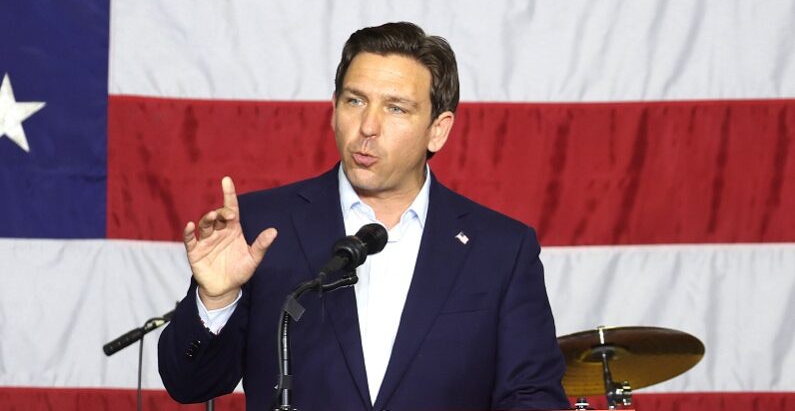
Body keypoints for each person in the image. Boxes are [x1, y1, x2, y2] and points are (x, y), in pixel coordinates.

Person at [158, 22, 569, 411]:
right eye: (355, 101)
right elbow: (190, 384)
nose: (367, 126)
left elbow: (531, 396)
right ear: (334, 109)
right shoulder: (264, 227)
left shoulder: (500, 248)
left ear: (438, 129)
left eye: (396, 109)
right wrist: (216, 299)